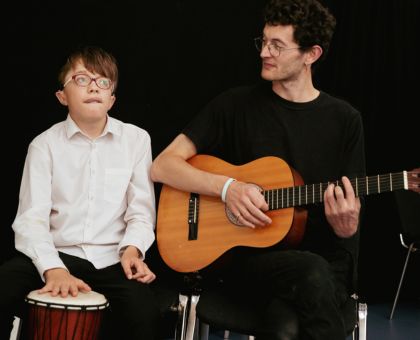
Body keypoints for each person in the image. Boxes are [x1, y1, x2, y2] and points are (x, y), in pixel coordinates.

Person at [151, 0, 365, 339]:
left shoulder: (345, 120)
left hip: (322, 265)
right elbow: (162, 166)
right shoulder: (234, 105)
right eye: (263, 42)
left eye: (277, 46)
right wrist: (227, 188)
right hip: (248, 262)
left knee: (286, 326)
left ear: (311, 54)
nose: (265, 52)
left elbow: (348, 221)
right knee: (310, 274)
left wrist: (347, 224)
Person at [0, 46, 159, 339]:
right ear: (62, 96)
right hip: (58, 251)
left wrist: (133, 250)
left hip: (113, 259)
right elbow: (30, 221)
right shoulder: (43, 145)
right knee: (4, 283)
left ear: (112, 99)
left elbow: (141, 211)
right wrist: (52, 269)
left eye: (103, 82)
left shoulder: (136, 140)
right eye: (82, 79)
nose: (94, 88)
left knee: (146, 313)